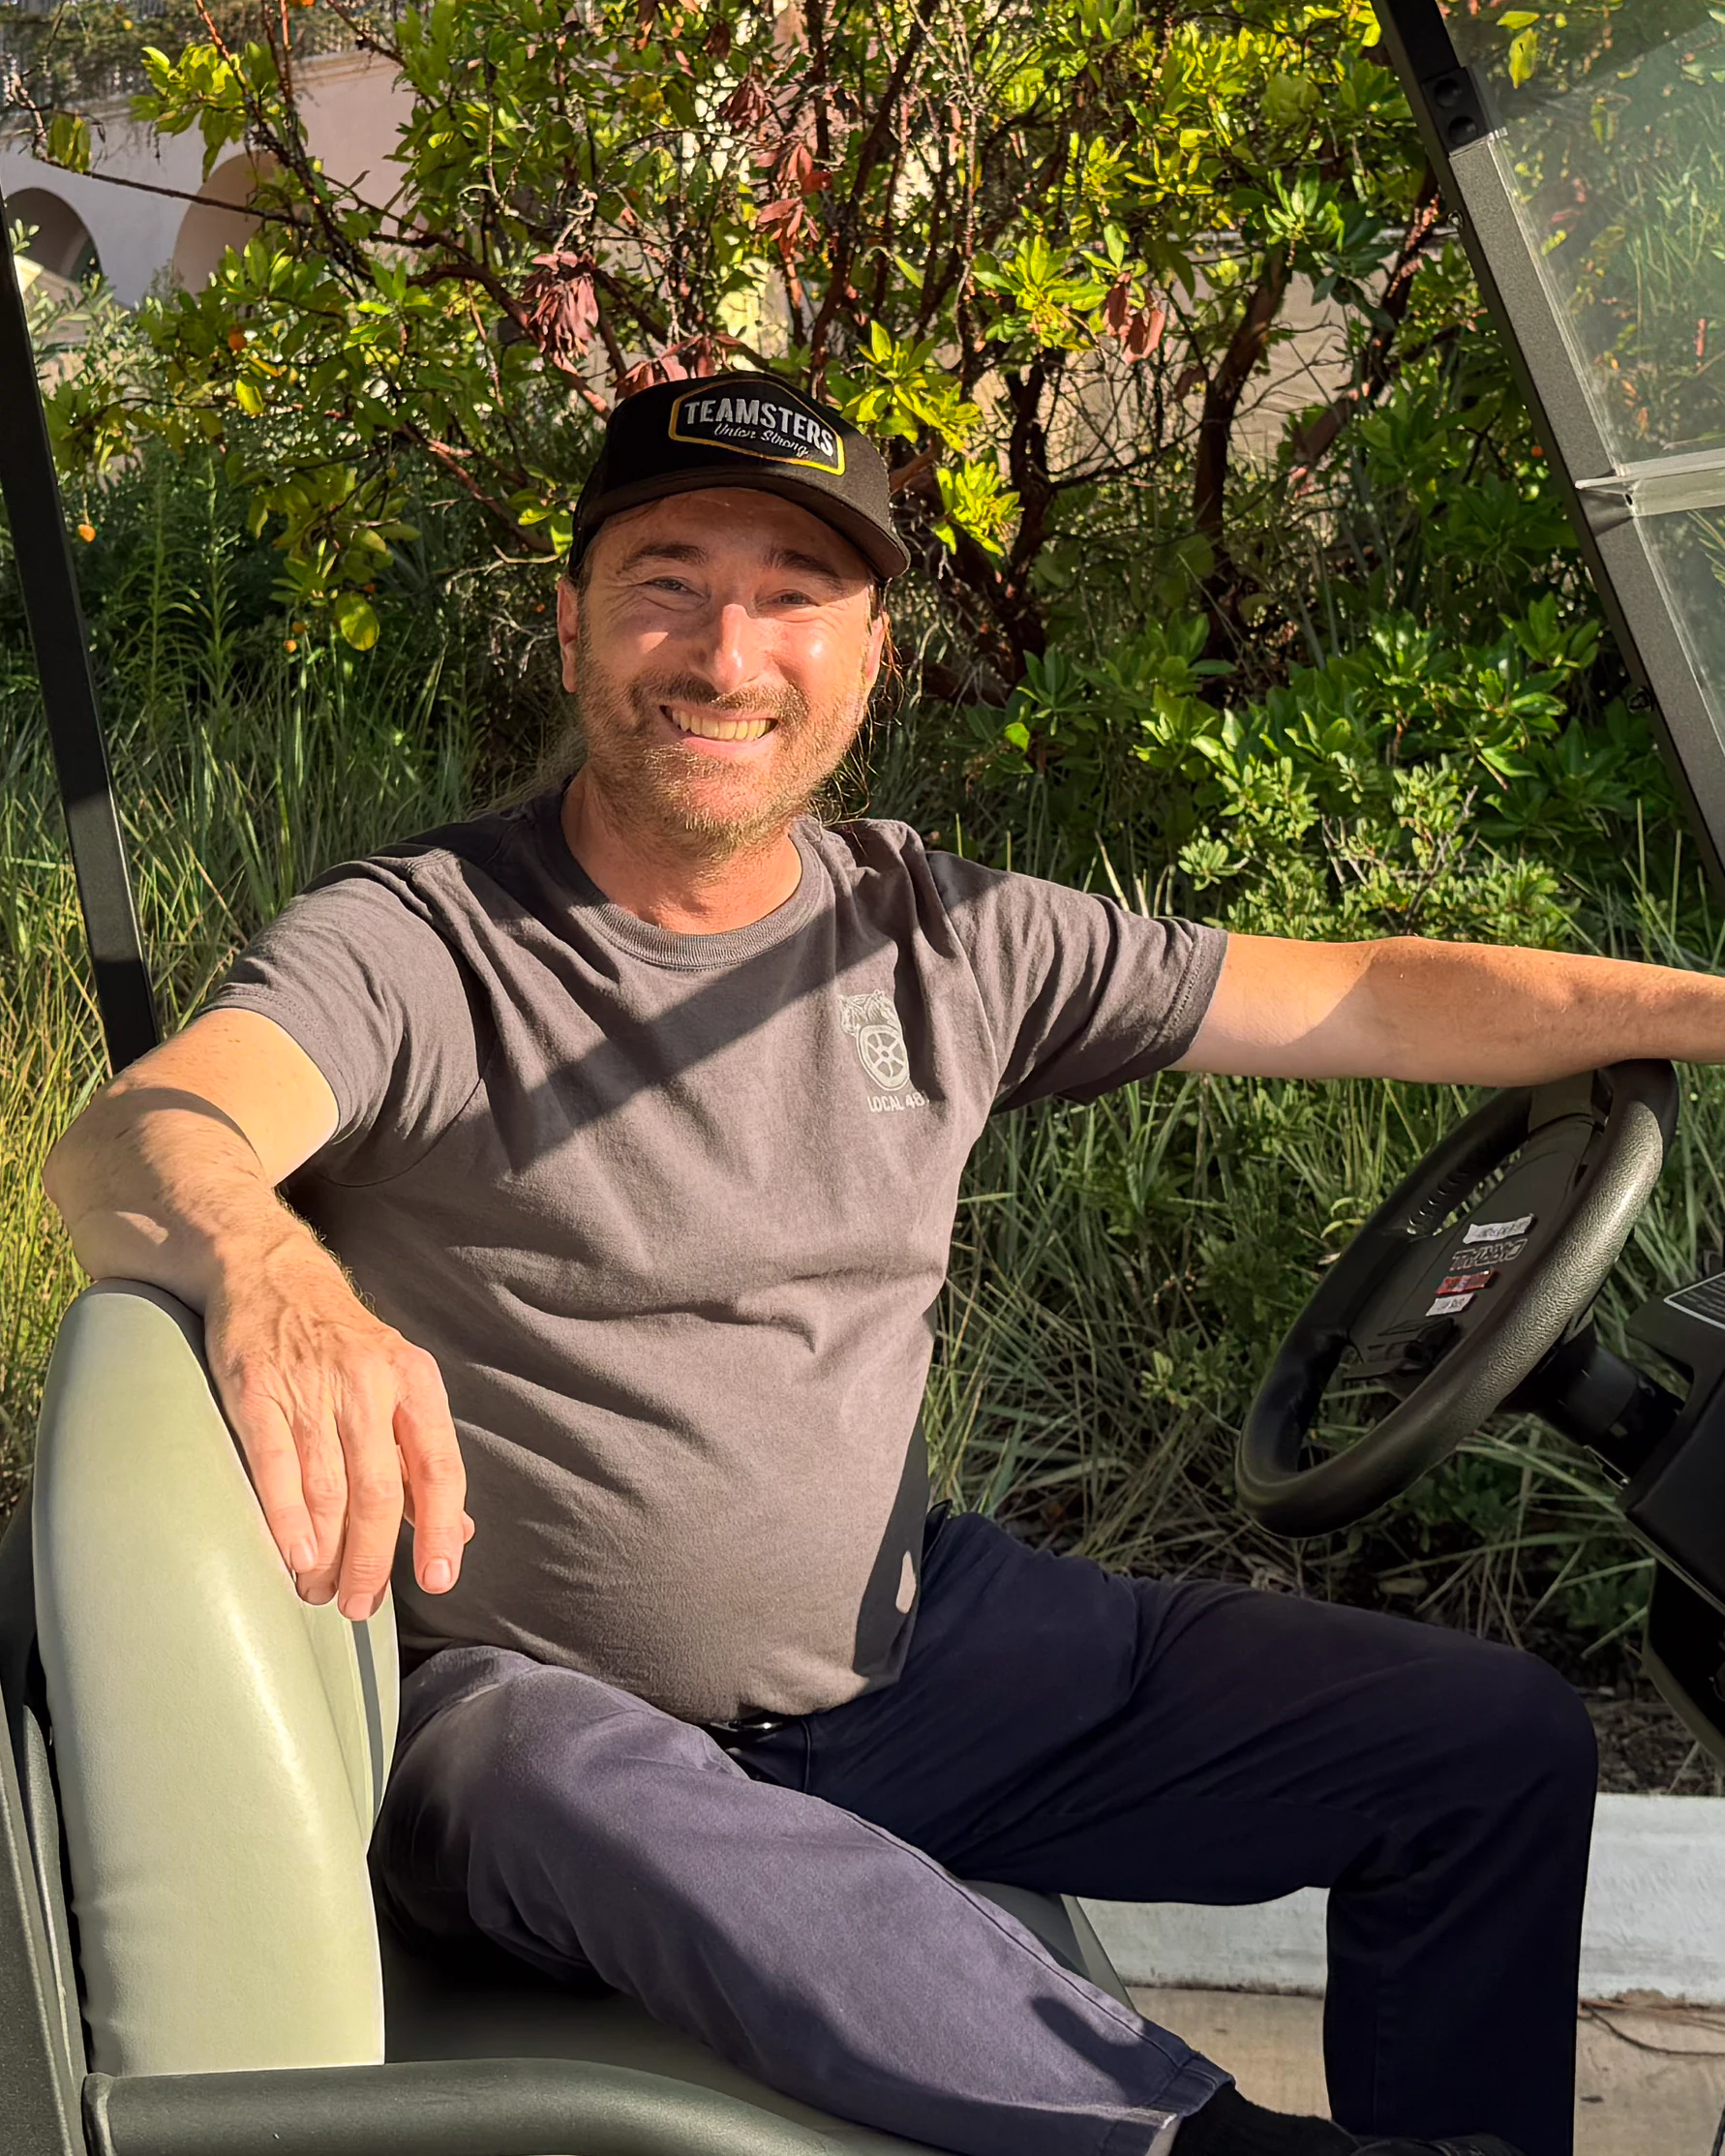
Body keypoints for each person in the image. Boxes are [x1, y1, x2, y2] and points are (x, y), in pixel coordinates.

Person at [47, 371, 1725, 2156]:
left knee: (1485, 1743)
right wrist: (270, 1268)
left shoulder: (948, 936)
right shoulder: (420, 942)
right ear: (570, 627)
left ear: (868, 662)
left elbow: (1375, 991)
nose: (724, 650)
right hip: (540, 1730)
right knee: (546, 1765)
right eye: (666, 580)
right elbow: (138, 1133)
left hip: (916, 1664)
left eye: (791, 594)